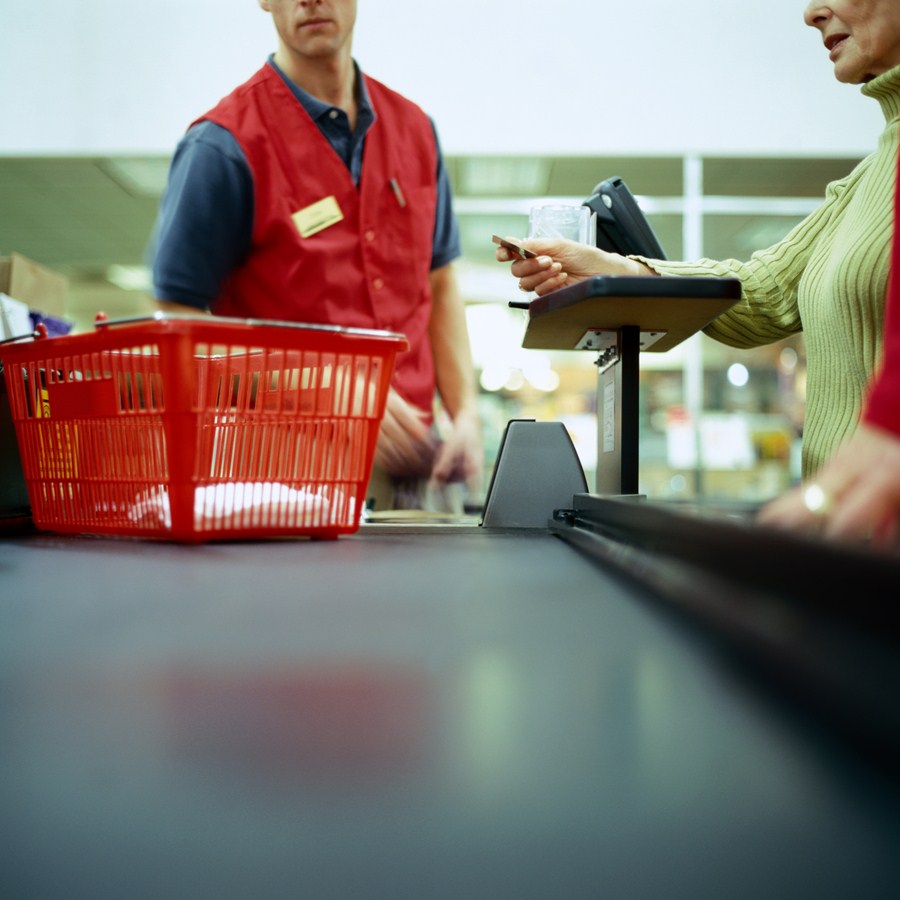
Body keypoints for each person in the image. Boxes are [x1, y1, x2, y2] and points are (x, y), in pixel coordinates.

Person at [496, 1, 900, 487]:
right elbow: (762, 294)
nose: (812, 12)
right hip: (847, 533)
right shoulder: (868, 178)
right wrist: (616, 271)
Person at [151, 0, 482, 511]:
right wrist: (321, 386)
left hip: (414, 481)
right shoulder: (223, 146)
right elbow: (177, 326)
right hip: (281, 486)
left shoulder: (416, 131)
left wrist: (465, 414)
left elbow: (439, 282)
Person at [756, 141, 900, 550]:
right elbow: (766, 288)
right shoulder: (868, 173)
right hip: (843, 521)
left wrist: (892, 420)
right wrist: (630, 269)